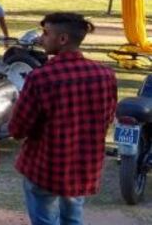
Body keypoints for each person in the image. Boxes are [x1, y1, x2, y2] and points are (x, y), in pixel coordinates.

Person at [9, 13, 117, 225]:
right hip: (82, 165)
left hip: (45, 167)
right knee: (73, 217)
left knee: (44, 219)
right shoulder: (105, 75)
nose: (41, 38)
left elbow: (17, 129)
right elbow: (107, 117)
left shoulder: (41, 77)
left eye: (46, 33)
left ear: (63, 39)